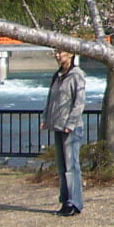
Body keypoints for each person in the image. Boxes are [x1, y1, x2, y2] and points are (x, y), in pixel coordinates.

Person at [40, 49, 86, 216]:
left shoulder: (77, 75)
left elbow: (79, 103)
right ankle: (65, 200)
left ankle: (74, 203)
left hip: (71, 128)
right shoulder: (57, 75)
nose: (58, 55)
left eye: (61, 52)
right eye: (56, 53)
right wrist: (46, 118)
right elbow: (50, 99)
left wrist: (71, 123)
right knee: (62, 166)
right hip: (57, 125)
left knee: (71, 166)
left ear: (71, 54)